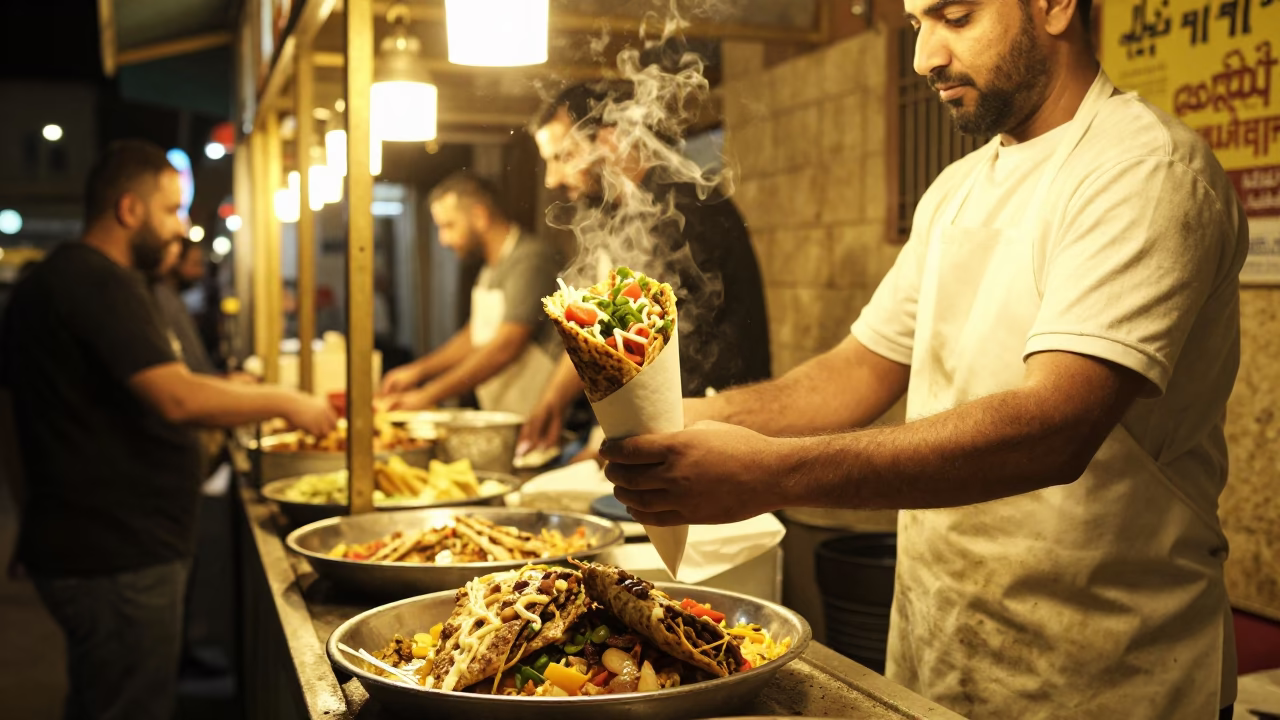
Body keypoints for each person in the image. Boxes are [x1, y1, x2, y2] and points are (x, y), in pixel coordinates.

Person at [600, 2, 1247, 718]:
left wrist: (769, 474)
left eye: (956, 16)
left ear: (1057, 7)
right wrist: (692, 418)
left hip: (1105, 670)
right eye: (916, 25)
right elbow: (855, 372)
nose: (924, 57)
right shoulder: (955, 192)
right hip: (942, 652)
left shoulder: (1144, 170)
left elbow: (1053, 429)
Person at [0, 139, 337, 720]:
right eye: (172, 209)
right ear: (129, 209)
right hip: (117, 554)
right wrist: (285, 401)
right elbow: (176, 396)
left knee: (101, 697)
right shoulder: (98, 282)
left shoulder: (60, 280)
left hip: (93, 545)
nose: (182, 225)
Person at [517, 80, 771, 457]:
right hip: (655, 437)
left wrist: (614, 446)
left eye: (564, 156)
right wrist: (552, 399)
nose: (551, 179)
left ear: (610, 140)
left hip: (714, 438)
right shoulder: (607, 212)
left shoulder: (682, 210)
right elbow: (597, 320)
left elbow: (642, 341)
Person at [380, 171, 563, 416]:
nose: (443, 239)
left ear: (479, 215)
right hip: (505, 411)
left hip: (537, 415)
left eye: (448, 225)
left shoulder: (529, 259)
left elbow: (506, 344)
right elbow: (475, 335)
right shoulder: (491, 265)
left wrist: (427, 394)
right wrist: (418, 371)